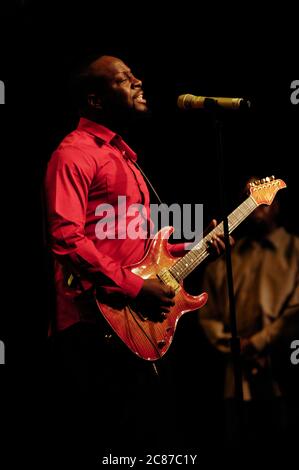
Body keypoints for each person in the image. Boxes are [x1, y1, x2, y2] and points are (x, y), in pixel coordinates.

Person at [44, 54, 227, 463]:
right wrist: (134, 287)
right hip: (93, 327)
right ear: (95, 100)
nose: (139, 80)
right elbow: (65, 237)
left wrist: (198, 247)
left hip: (136, 326)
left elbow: (136, 248)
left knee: (158, 441)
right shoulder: (73, 154)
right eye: (126, 79)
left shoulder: (124, 158)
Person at [198, 179, 299, 453]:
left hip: (283, 377)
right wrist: (234, 345)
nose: (253, 205)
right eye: (247, 198)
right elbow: (206, 313)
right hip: (236, 385)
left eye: (259, 198)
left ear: (275, 204)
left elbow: (295, 311)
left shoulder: (295, 250)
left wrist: (259, 343)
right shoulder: (226, 258)